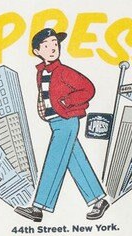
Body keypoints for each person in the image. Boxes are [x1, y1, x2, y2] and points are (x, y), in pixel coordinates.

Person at [14, 28, 110, 223]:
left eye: (55, 44)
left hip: (66, 121)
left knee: (54, 160)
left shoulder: (64, 71)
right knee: (76, 161)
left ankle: (38, 207)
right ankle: (99, 200)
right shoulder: (41, 73)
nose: (52, 48)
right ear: (37, 51)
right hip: (55, 122)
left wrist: (67, 101)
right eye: (46, 45)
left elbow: (88, 88)